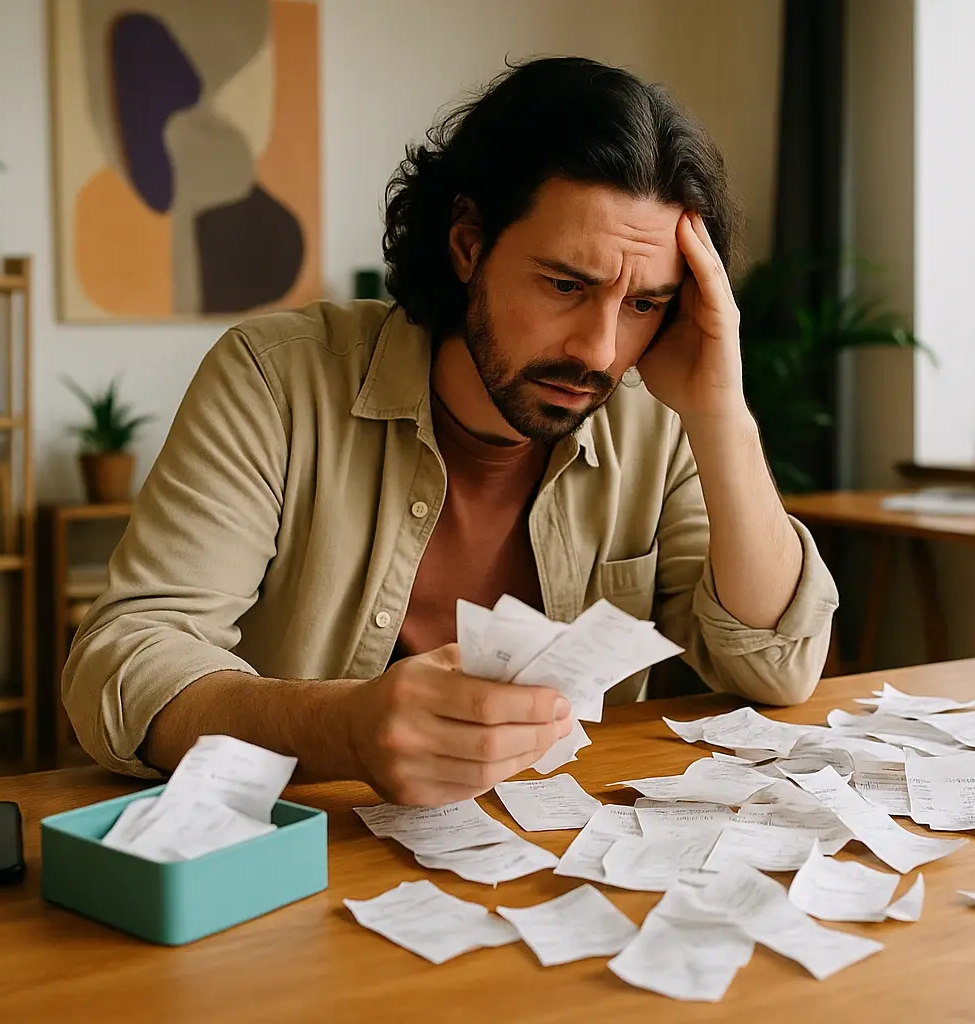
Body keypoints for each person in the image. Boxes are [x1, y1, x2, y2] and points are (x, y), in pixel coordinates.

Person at [62, 56, 838, 807]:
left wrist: (720, 411)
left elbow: (778, 667)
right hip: (310, 849)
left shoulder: (660, 417)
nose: (601, 352)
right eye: (566, 285)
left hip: (555, 856)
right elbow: (124, 665)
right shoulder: (276, 380)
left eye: (644, 304)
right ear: (468, 244)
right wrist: (343, 729)